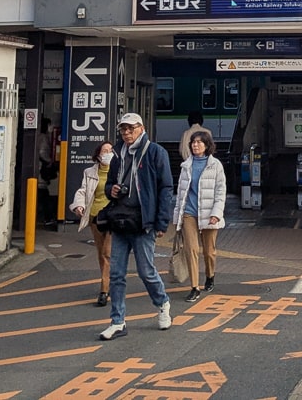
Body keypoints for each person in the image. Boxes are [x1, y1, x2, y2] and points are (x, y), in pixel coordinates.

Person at [99, 113, 175, 341]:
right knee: (116, 274)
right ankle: (117, 321)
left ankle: (162, 303)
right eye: (123, 129)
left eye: (131, 129)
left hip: (143, 222)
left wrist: (162, 221)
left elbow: (166, 187)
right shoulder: (117, 155)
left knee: (146, 271)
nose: (126, 133)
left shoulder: (155, 152)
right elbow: (110, 183)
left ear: (141, 128)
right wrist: (110, 190)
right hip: (121, 220)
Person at [172, 130, 226, 302]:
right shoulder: (186, 166)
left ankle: (210, 276)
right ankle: (194, 287)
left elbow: (220, 192)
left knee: (209, 252)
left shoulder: (215, 165)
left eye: (199, 142)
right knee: (191, 249)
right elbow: (180, 194)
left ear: (207, 145)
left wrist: (216, 214)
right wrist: (177, 217)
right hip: (189, 213)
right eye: (193, 142)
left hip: (209, 213)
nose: (195, 145)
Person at [69, 141, 114, 307]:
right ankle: (108, 282)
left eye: (111, 150)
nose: (108, 153)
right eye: (105, 151)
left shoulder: (119, 171)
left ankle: (104, 290)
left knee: (107, 253)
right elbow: (83, 190)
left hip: (112, 217)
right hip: (95, 217)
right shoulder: (89, 172)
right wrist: (78, 205)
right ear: (98, 155)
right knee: (101, 253)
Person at [37, 117, 58, 225]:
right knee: (43, 193)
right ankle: (47, 217)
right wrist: (50, 162)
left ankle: (45, 216)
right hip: (41, 170)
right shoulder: (43, 137)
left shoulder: (39, 136)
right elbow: (42, 153)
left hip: (39, 170)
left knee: (42, 193)